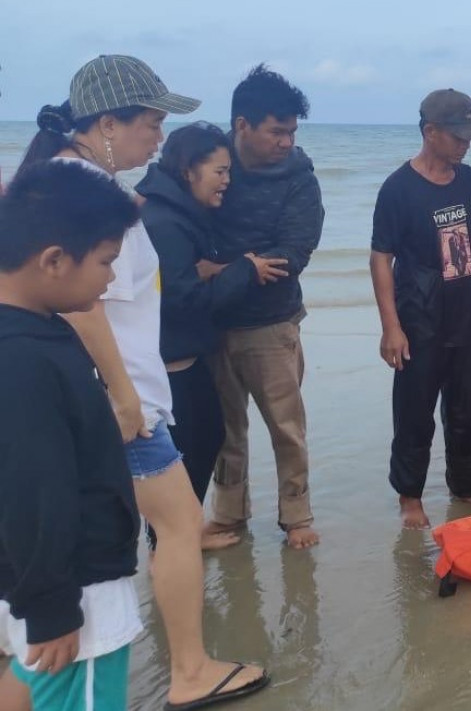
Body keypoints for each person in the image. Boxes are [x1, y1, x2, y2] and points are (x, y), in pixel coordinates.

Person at [14, 56, 269, 709]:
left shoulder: (62, 177)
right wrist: (126, 397)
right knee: (180, 522)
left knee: (122, 529)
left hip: (102, 393)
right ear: (106, 124)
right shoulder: (86, 192)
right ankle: (188, 669)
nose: (159, 138)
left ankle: (23, 678)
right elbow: (81, 301)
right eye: (151, 123)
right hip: (118, 400)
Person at [0, 161, 139, 711]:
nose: (110, 277)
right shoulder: (24, 359)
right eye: (106, 261)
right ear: (54, 260)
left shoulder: (38, 331)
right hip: (75, 589)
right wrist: (53, 607)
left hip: (37, 580)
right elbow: (34, 487)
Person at [136, 123, 289, 551]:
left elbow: (184, 276)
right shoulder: (166, 220)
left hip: (185, 358)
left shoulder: (177, 210)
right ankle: (169, 541)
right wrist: (245, 269)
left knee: (208, 436)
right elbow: (182, 300)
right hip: (168, 366)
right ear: (189, 170)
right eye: (219, 171)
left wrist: (217, 267)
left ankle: (180, 533)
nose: (227, 181)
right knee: (190, 445)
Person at [370, 89, 471, 529]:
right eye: (458, 136)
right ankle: (410, 496)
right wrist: (391, 327)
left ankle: (465, 484)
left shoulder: (469, 181)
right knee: (415, 409)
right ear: (430, 132)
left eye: (470, 136)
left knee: (465, 406)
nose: (466, 145)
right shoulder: (398, 189)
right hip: (419, 306)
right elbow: (381, 258)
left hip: (463, 304)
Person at [208, 65, 323, 549]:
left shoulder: (300, 177)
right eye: (277, 131)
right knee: (224, 430)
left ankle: (296, 516)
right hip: (210, 322)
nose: (286, 142)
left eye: (292, 131)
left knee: (286, 427)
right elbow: (167, 200)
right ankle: (229, 516)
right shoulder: (209, 161)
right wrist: (240, 267)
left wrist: (217, 268)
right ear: (242, 126)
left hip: (273, 324)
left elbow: (292, 254)